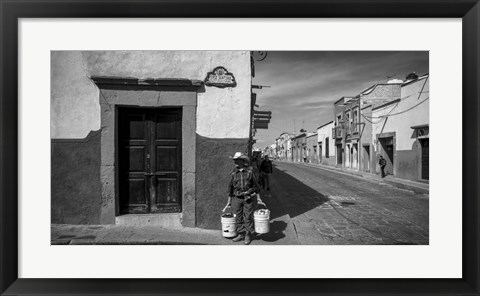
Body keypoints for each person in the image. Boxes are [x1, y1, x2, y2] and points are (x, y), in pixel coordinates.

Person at [223, 152, 260, 245]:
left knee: (248, 217)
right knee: (238, 216)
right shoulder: (233, 173)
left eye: (237, 160)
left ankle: (247, 234)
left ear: (242, 161)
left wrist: (256, 197)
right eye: (234, 160)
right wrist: (229, 202)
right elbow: (230, 189)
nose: (234, 161)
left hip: (248, 198)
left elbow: (256, 187)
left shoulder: (250, 173)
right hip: (237, 198)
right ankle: (241, 233)